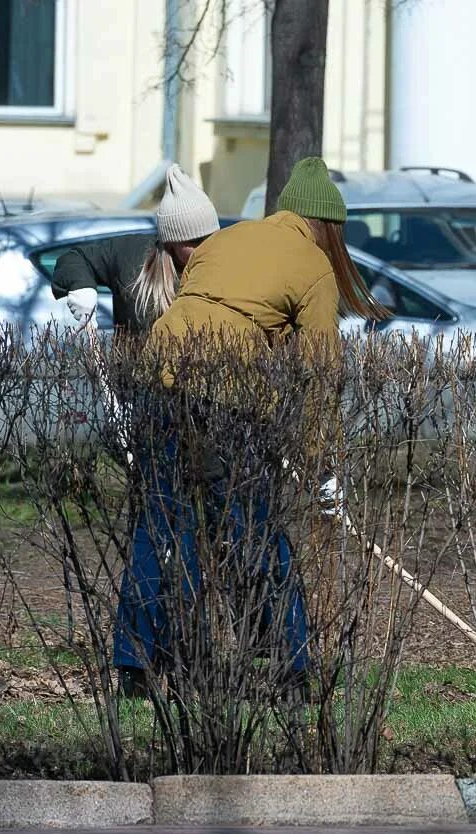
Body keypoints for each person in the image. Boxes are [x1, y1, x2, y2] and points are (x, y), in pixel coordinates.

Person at [114, 156, 389, 698]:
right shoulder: (313, 266)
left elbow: (209, 312)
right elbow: (319, 373)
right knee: (256, 533)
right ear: (327, 227)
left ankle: (138, 665)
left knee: (163, 526)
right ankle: (290, 666)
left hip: (154, 381)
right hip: (225, 402)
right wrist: (323, 463)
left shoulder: (226, 239)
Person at [53, 165, 220, 332]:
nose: (206, 247)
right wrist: (82, 286)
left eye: (212, 237)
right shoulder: (132, 256)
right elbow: (75, 258)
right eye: (195, 241)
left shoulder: (227, 263)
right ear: (171, 243)